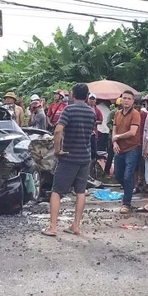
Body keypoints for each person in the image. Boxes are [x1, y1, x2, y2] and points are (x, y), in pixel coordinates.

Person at [42, 83, 97, 237]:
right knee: (80, 192)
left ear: (72, 94)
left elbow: (58, 130)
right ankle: (76, 226)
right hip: (84, 157)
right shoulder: (91, 112)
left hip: (68, 157)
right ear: (87, 96)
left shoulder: (69, 109)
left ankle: (53, 227)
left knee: (57, 192)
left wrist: (58, 149)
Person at [112, 91, 142, 214]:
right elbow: (114, 131)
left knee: (128, 175)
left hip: (132, 148)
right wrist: (114, 142)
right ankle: (128, 191)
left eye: (129, 99)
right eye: (124, 98)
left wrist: (118, 137)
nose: (126, 101)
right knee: (118, 175)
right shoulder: (117, 114)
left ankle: (127, 203)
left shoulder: (135, 114)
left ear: (133, 101)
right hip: (119, 148)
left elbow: (132, 132)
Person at [104, 98, 121, 177]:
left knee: (119, 155)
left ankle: (116, 172)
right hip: (112, 136)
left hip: (120, 137)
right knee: (110, 154)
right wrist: (114, 129)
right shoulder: (113, 113)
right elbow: (108, 123)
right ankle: (106, 171)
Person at [87, 93, 104, 171]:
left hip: (94, 133)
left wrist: (94, 122)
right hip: (85, 133)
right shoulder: (85, 108)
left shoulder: (97, 110)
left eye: (93, 99)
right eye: (90, 99)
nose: (92, 100)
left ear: (95, 100)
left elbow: (101, 120)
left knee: (94, 152)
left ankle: (92, 168)